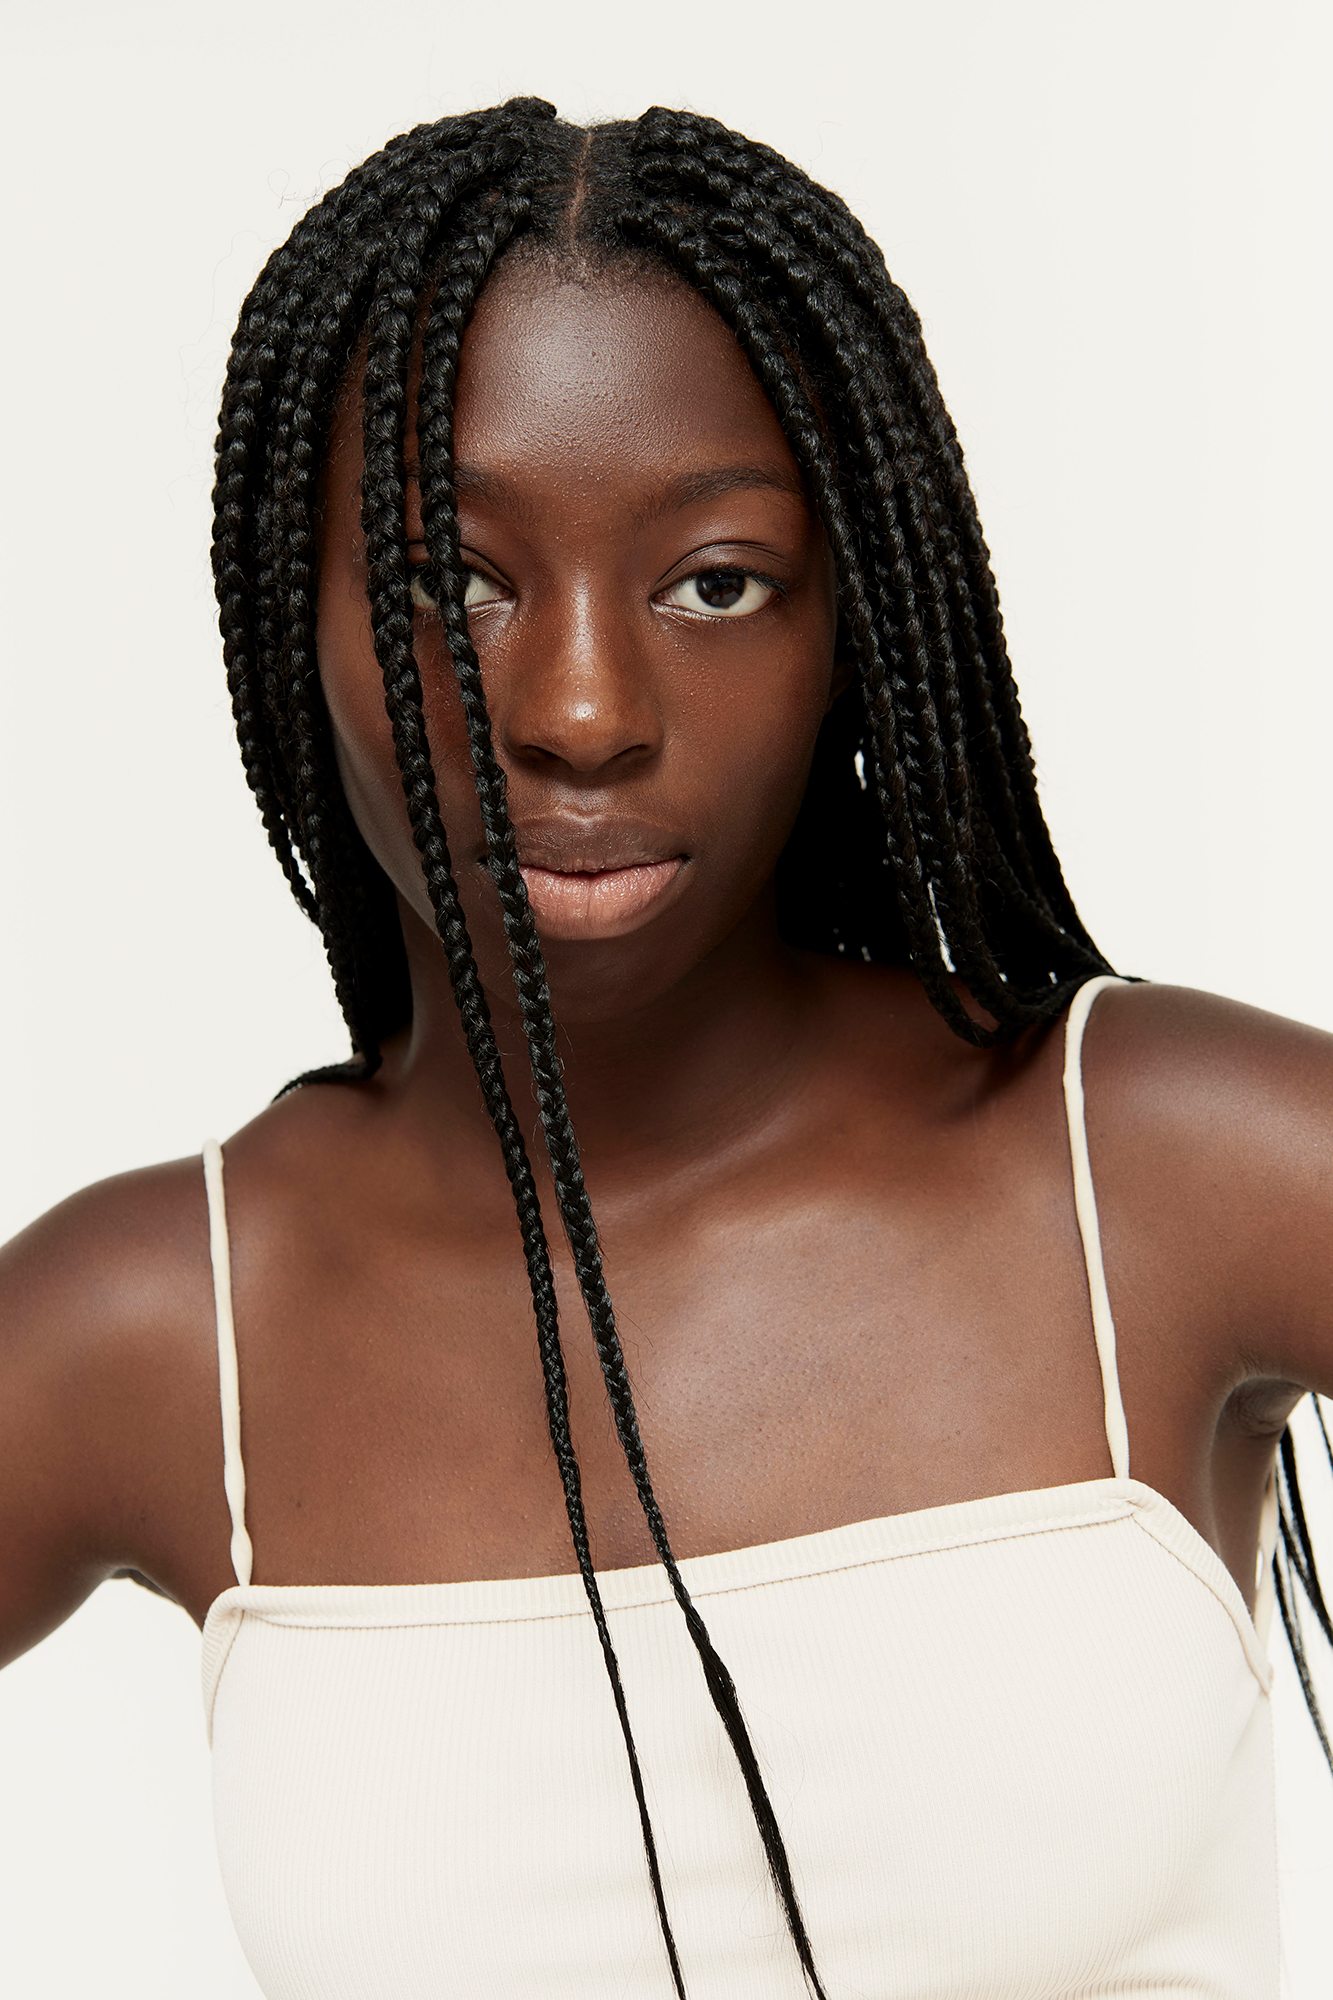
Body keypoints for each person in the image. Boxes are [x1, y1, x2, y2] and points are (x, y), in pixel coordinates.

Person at [2, 97, 1330, 1997]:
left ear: (853, 617)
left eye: (715, 581)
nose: (582, 710)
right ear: (292, 625)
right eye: (454, 583)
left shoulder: (1167, 1169)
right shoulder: (157, 1328)